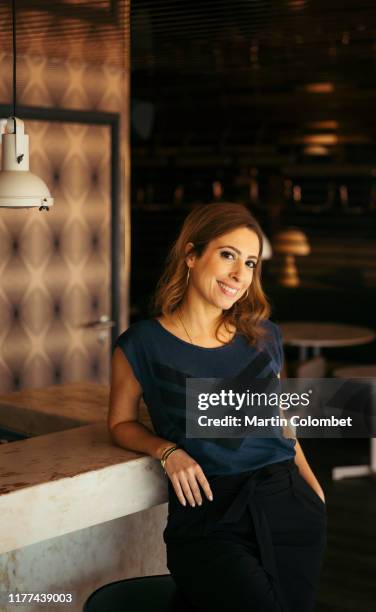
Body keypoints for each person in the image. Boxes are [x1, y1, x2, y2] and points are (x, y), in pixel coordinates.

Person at [108, 202, 327, 612]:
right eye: (228, 255)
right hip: (207, 517)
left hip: (287, 501)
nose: (239, 274)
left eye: (250, 262)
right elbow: (120, 423)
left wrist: (312, 490)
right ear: (191, 255)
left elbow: (278, 417)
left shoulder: (264, 337)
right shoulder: (141, 344)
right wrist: (168, 451)